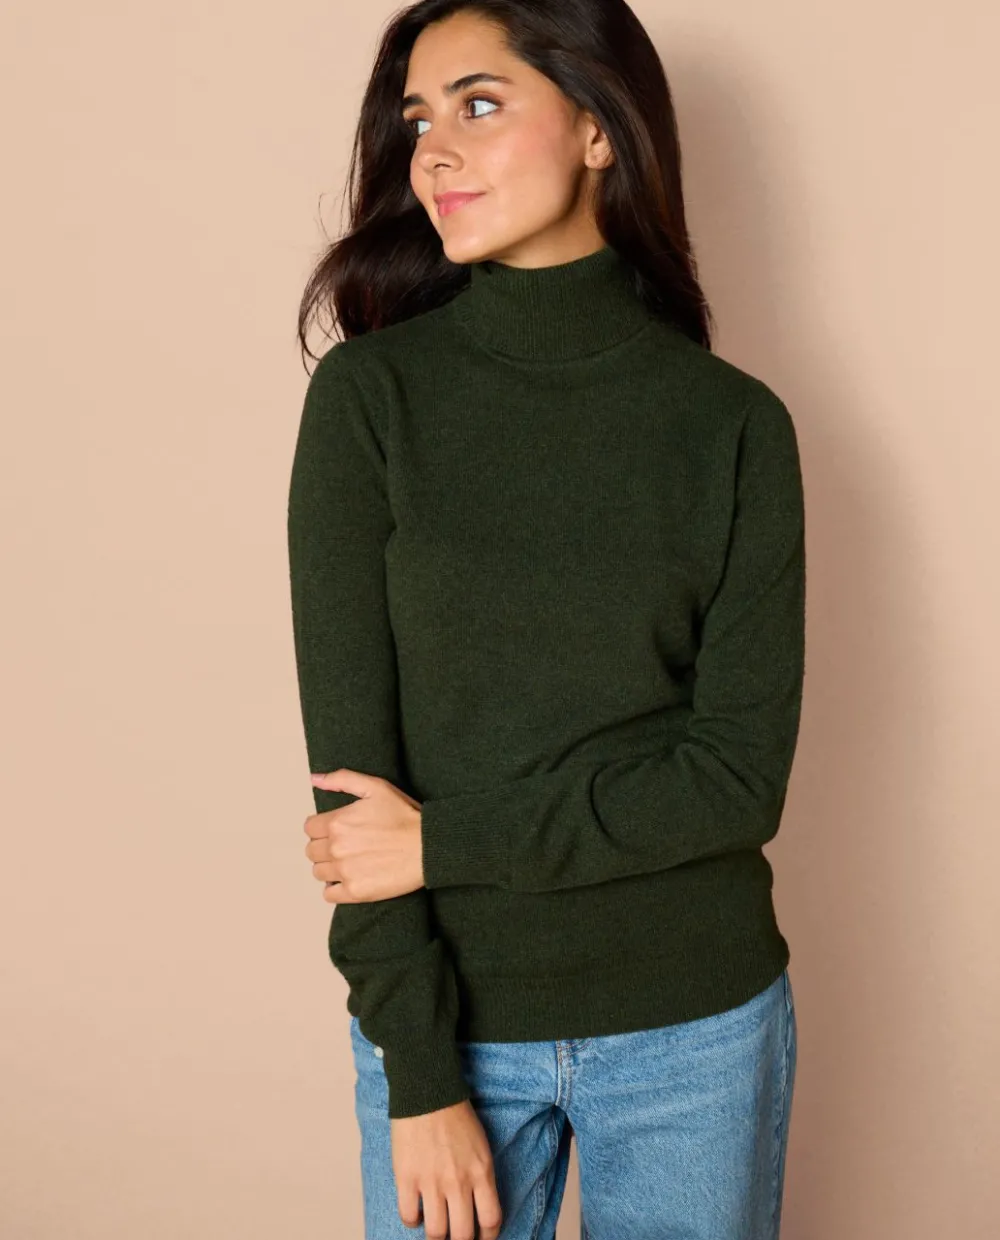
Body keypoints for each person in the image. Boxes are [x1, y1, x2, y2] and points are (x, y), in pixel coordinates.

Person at [286, 1, 805, 1237]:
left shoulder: (732, 425)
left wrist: (445, 840)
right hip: (454, 1031)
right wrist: (421, 1074)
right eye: (419, 119)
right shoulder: (371, 401)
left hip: (696, 1023)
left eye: (479, 103)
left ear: (597, 129)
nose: (434, 151)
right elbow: (354, 802)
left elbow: (735, 782)